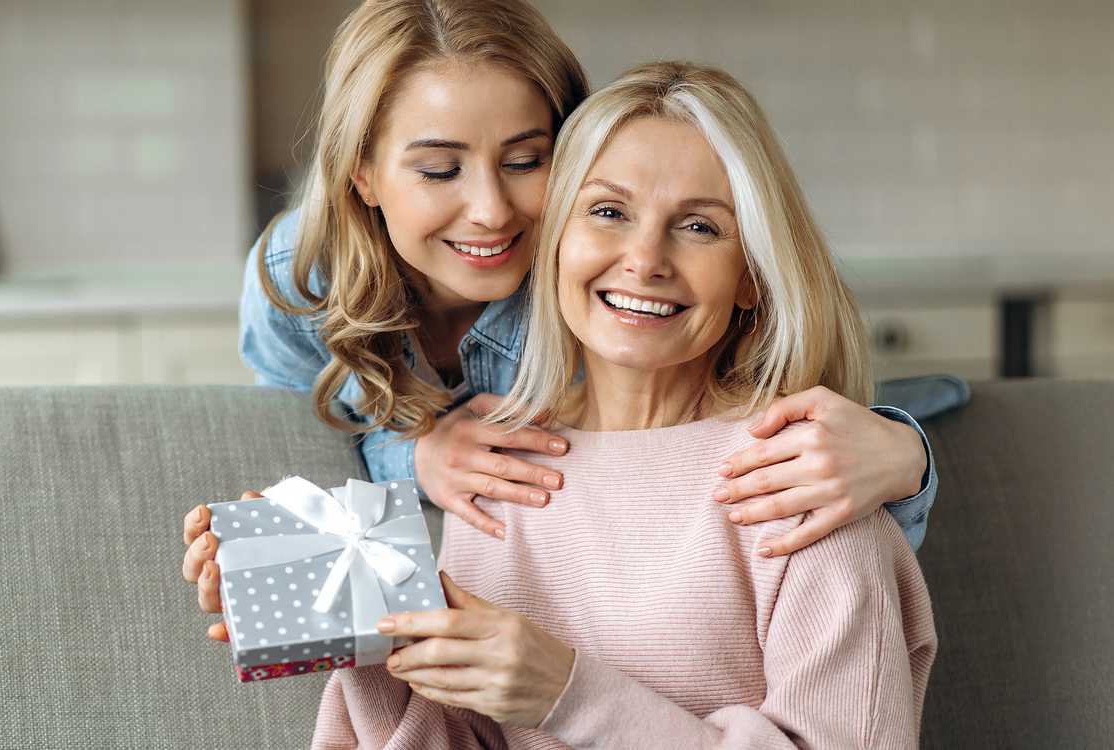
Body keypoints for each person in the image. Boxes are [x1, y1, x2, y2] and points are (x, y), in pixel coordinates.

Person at [183, 0, 945, 641]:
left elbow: (733, 426)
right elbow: (305, 448)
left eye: (526, 161)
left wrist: (905, 455)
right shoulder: (298, 278)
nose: (491, 211)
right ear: (363, 172)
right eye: (440, 169)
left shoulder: (595, 286)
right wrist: (277, 554)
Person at [311, 59, 937, 749]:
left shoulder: (805, 478)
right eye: (608, 212)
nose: (644, 259)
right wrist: (362, 638)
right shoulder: (498, 461)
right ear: (553, 242)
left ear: (751, 277)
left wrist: (565, 694)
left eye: (699, 227)